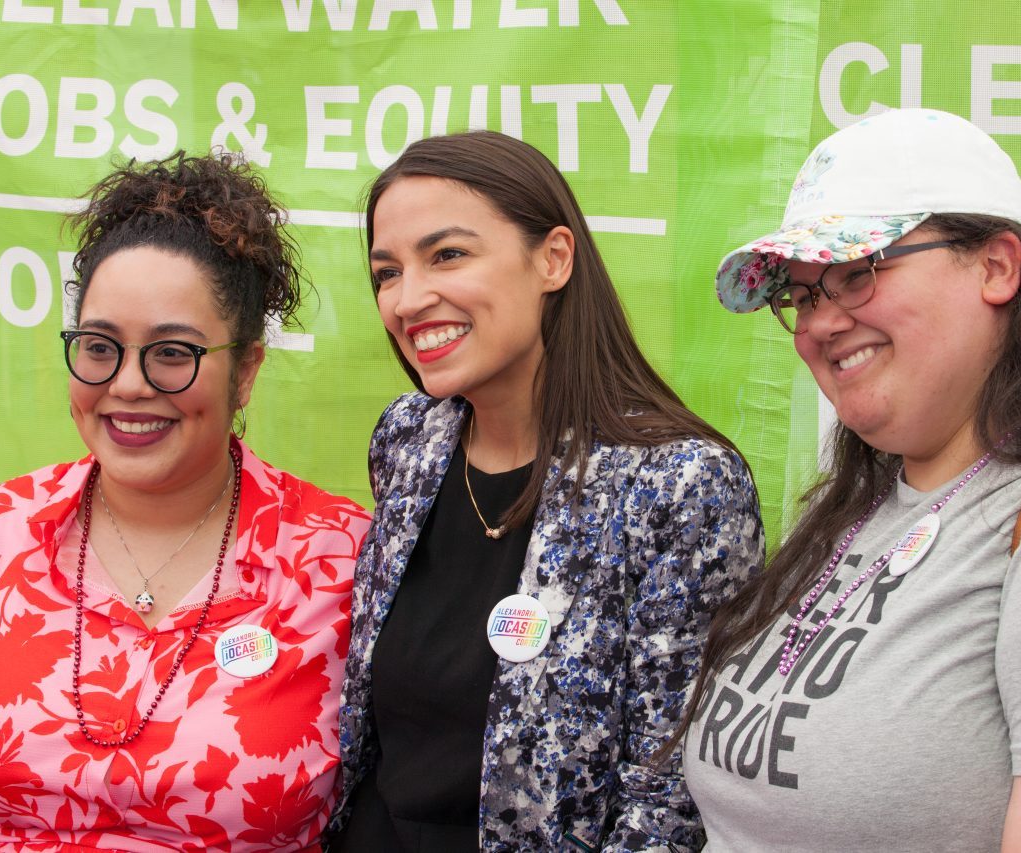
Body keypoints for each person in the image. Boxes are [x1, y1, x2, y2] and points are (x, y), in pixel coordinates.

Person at [679, 108, 1021, 851]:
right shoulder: (867, 499)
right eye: (804, 294)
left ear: (998, 266)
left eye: (858, 274)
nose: (819, 323)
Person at [0, 152, 370, 850]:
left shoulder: (343, 562)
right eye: (99, 347)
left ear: (245, 371)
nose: (127, 385)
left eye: (172, 353)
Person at [326, 130, 764, 852]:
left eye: (448, 255)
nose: (407, 299)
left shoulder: (680, 486)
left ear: (553, 258)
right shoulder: (408, 440)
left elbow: (669, 799)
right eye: (386, 272)